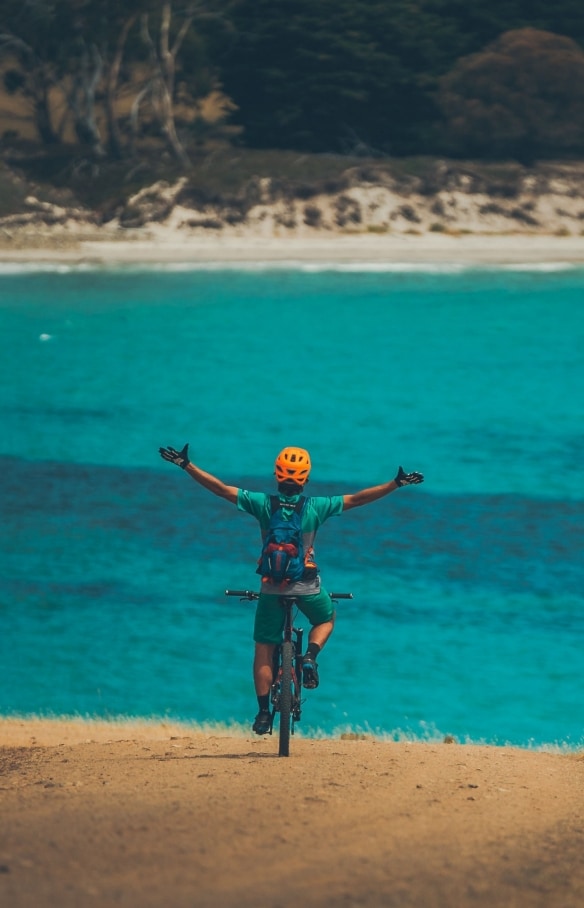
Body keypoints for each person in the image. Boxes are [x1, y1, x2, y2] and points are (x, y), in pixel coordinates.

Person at [159, 443, 424, 735]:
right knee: (325, 618)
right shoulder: (316, 507)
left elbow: (221, 489)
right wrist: (396, 483)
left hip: (271, 588)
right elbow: (358, 499)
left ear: (276, 476)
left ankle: (262, 714)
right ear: (306, 479)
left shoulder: (262, 503)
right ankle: (309, 656)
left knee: (264, 647)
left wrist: (187, 465)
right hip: (307, 585)